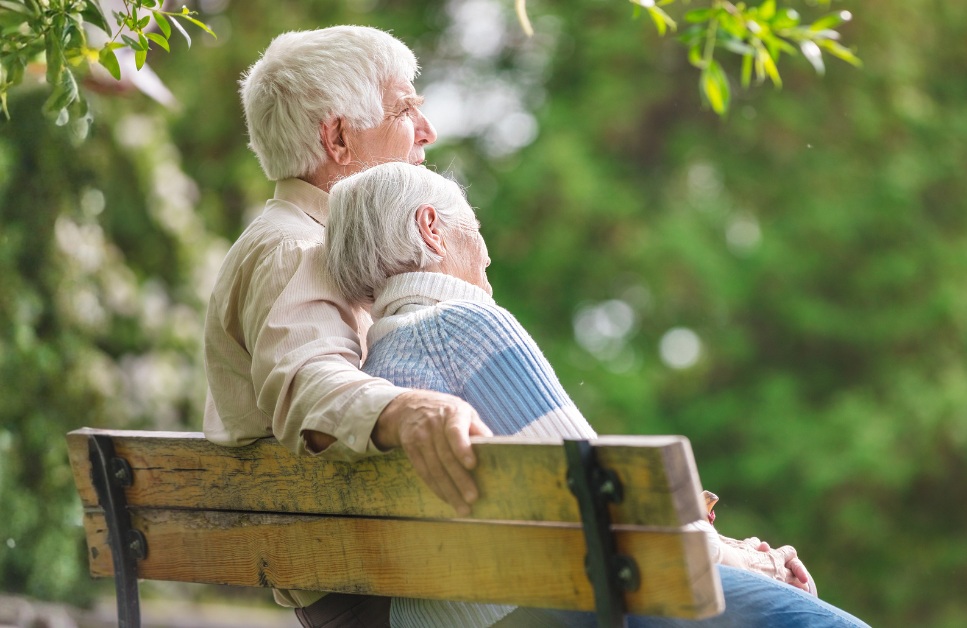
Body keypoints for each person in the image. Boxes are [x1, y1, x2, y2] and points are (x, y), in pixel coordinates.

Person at [323, 162, 869, 628]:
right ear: (432, 230)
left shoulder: (373, 372)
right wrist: (757, 562)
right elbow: (612, 514)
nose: (488, 254)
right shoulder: (463, 325)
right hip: (546, 605)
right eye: (477, 228)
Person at [202, 26, 496, 621]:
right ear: (338, 137)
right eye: (406, 108)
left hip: (376, 565)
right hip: (375, 589)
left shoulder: (316, 246)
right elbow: (308, 383)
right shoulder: (296, 250)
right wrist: (409, 411)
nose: (428, 131)